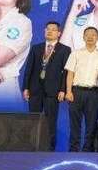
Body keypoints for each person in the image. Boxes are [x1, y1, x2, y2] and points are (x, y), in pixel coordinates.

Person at [22, 21, 71, 150]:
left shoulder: (65, 50)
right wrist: (26, 87)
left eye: (53, 29)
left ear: (59, 33)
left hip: (53, 91)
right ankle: (33, 148)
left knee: (50, 121)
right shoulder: (36, 48)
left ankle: (49, 149)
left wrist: (63, 89)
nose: (50, 31)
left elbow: (66, 72)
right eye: (47, 29)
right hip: (35, 90)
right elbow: (29, 69)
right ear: (44, 31)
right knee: (33, 120)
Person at [64, 26, 98, 152]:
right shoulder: (75, 53)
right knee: (74, 123)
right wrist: (68, 91)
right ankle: (73, 149)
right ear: (83, 37)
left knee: (91, 124)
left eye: (93, 34)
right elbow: (70, 73)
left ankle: (87, 150)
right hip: (76, 92)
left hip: (94, 93)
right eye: (87, 34)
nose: (90, 37)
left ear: (97, 38)